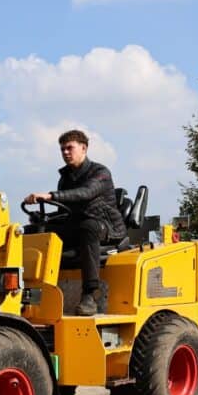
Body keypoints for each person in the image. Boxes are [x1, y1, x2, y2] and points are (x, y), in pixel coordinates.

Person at [24, 130, 125, 316]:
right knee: (32, 231)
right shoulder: (65, 178)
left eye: (70, 148)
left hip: (105, 226)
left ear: (84, 148)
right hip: (75, 223)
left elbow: (85, 193)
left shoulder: (100, 173)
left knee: (89, 227)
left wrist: (49, 196)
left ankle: (89, 295)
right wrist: (42, 220)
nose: (65, 153)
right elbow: (65, 209)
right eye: (62, 149)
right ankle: (29, 291)